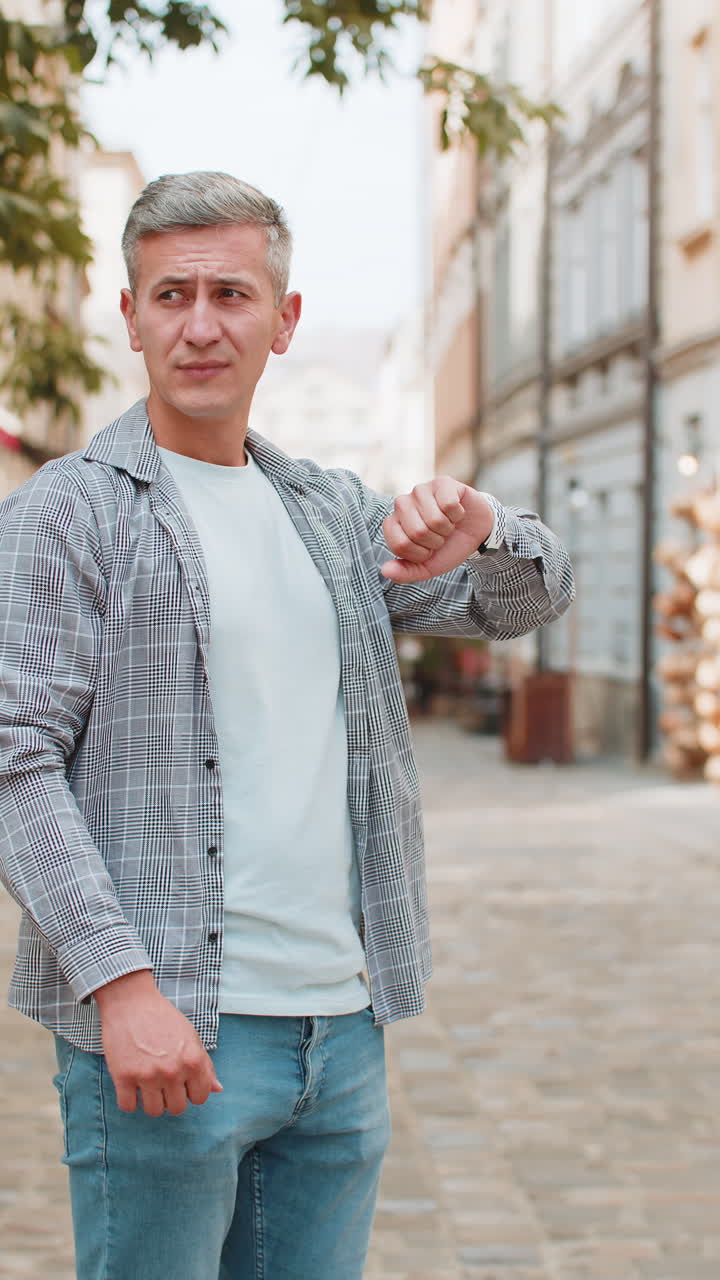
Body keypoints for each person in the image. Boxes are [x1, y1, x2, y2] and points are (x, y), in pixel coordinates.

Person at [0, 171, 574, 1280]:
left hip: (341, 1032)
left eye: (232, 293)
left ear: (285, 319)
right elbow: (14, 761)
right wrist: (120, 988)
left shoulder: (331, 513)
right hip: (171, 1034)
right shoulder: (64, 515)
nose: (202, 325)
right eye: (171, 296)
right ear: (130, 317)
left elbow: (521, 604)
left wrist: (488, 522)